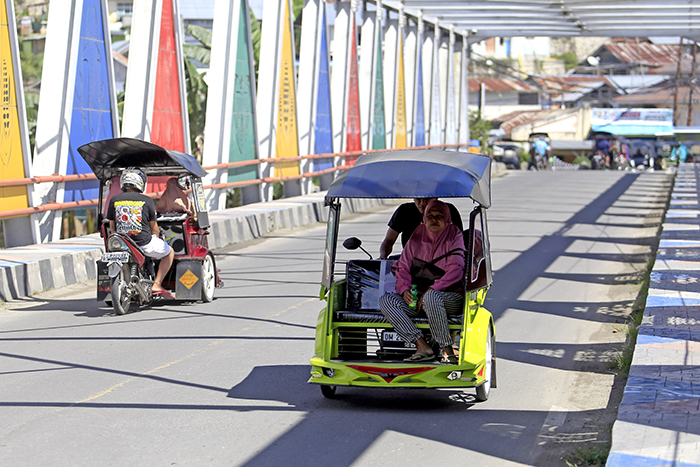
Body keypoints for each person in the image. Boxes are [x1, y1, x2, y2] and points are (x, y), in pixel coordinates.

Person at [379, 200, 465, 364]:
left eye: (439, 216)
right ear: (424, 219)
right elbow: (402, 267)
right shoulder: (417, 237)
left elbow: (455, 270)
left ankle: (447, 349)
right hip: (418, 298)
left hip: (450, 297)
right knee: (387, 300)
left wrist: (431, 290)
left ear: (447, 219)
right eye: (430, 216)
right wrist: (405, 290)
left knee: (432, 297)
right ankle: (422, 345)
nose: (434, 220)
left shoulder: (455, 236)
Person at [106, 167, 175, 295]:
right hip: (143, 243)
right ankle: (157, 284)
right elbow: (154, 229)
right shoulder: (147, 200)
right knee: (169, 252)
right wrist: (156, 237)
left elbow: (112, 227)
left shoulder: (114, 200)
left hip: (122, 243)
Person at [379, 198, 463, 259]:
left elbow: (460, 243)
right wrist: (383, 257)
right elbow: (389, 240)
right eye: (418, 198)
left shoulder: (449, 211)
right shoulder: (404, 211)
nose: (422, 203)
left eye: (427, 198)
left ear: (436, 197)